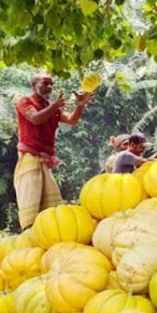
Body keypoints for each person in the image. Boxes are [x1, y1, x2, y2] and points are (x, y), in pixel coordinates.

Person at [14, 73, 94, 230]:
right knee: (30, 197)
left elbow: (71, 120)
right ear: (34, 85)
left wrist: (80, 105)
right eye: (45, 83)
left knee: (49, 201)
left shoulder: (52, 107)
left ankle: (46, 231)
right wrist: (54, 106)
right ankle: (29, 232)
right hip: (29, 156)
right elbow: (35, 118)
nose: (49, 87)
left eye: (51, 84)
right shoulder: (25, 101)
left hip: (45, 158)